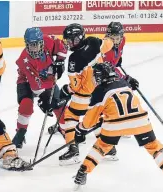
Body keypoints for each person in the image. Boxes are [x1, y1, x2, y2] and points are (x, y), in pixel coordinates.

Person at [73, 62, 163, 188]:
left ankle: (83, 170)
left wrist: (80, 130)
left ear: (99, 77)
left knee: (102, 146)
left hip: (115, 125)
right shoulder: (124, 84)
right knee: (154, 146)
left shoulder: (99, 91)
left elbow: (89, 121)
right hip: (140, 121)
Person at [58, 23, 115, 164]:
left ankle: (72, 148)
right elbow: (108, 44)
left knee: (70, 115)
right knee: (95, 117)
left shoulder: (74, 59)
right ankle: (109, 149)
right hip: (101, 93)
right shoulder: (94, 41)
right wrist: (109, 39)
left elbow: (76, 86)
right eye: (68, 40)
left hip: (84, 96)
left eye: (72, 40)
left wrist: (67, 90)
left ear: (79, 37)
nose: (70, 43)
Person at [12, 27, 68, 153]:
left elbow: (62, 47)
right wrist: (43, 100)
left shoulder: (49, 40)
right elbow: (36, 87)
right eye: (31, 46)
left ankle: (67, 130)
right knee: (26, 105)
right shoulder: (25, 60)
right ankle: (20, 133)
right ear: (26, 44)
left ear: (42, 42)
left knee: (58, 105)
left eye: (36, 45)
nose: (34, 49)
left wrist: (60, 62)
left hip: (47, 80)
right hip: (25, 81)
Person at [103, 21, 139, 90]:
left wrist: (117, 57)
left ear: (121, 37)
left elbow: (118, 49)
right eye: (111, 38)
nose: (114, 41)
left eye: (117, 38)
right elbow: (110, 70)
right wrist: (126, 78)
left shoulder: (123, 40)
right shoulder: (105, 50)